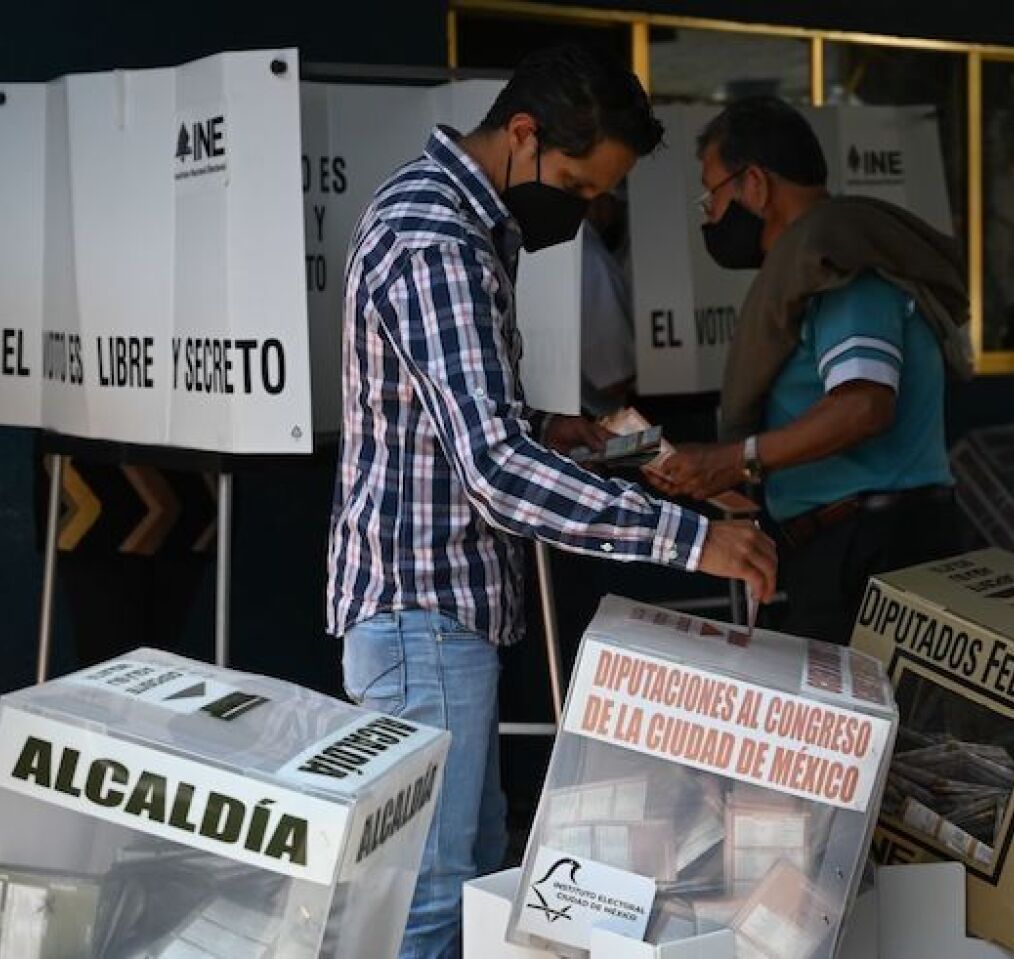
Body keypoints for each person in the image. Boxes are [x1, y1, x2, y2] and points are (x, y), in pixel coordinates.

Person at [325, 46, 777, 959]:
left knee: (464, 873)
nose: (576, 213)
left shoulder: (455, 221)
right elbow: (492, 470)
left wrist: (552, 427)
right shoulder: (437, 239)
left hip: (435, 617)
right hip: (423, 614)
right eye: (573, 186)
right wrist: (692, 540)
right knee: (434, 899)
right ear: (522, 135)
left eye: (595, 198)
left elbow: (446, 415)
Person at [648, 96, 972, 646]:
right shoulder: (813, 269)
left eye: (713, 194)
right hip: (849, 545)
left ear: (755, 184)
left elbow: (864, 404)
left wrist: (738, 457)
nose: (709, 214)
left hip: (873, 551)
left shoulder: (840, 269)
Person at [579, 189, 636, 417]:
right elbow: (614, 377)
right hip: (590, 422)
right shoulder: (591, 258)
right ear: (600, 200)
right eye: (619, 206)